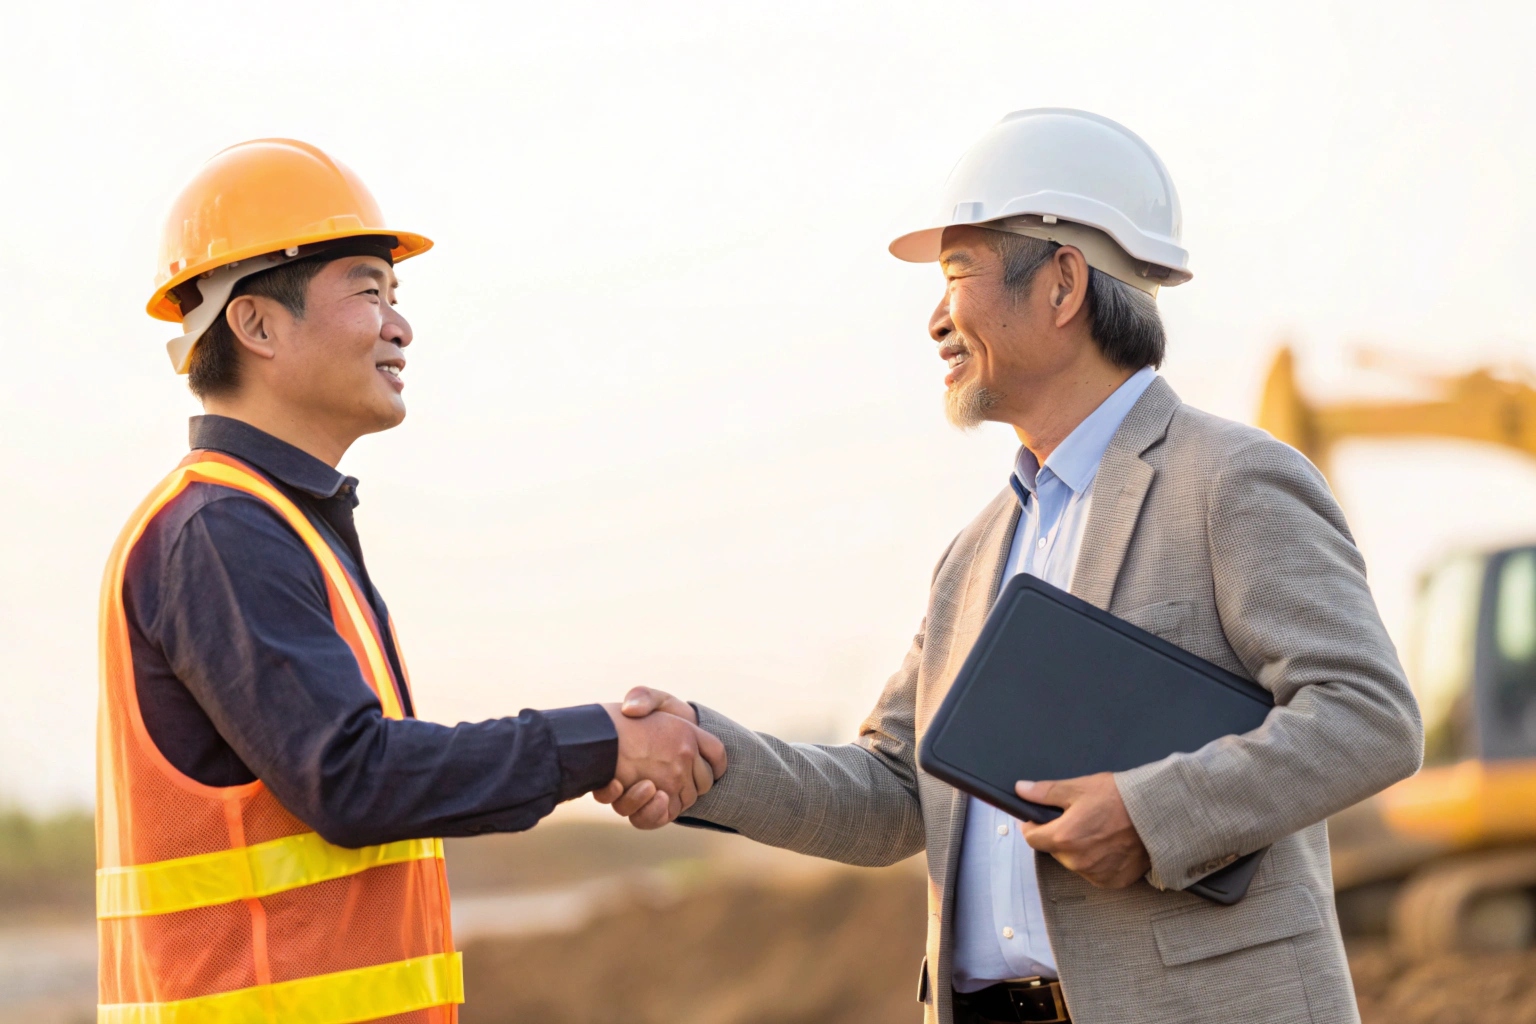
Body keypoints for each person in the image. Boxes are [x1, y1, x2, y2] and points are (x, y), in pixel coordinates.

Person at [606, 110, 1423, 1024]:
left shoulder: (1229, 481)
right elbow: (896, 791)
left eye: (956, 273)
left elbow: (1370, 716)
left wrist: (1149, 813)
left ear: (1063, 283)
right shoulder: (973, 555)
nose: (934, 319)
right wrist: (708, 757)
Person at [96, 139, 724, 1023]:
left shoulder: (277, 524)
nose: (400, 326)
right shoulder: (221, 532)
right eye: (368, 291)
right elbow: (352, 778)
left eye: (397, 299)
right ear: (257, 325)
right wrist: (602, 744)